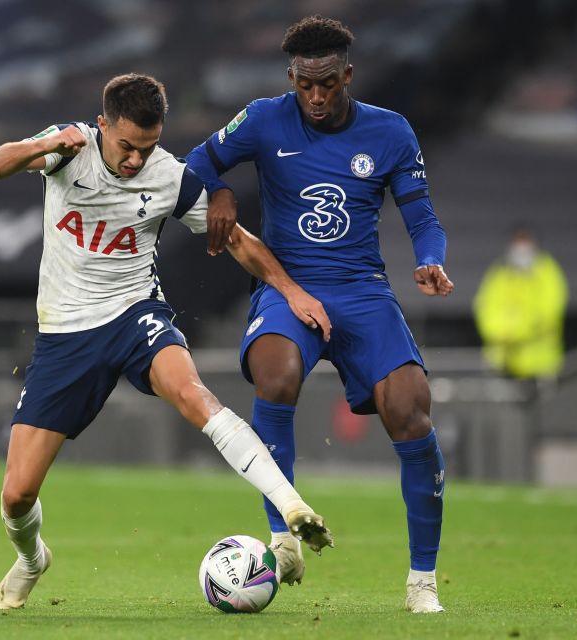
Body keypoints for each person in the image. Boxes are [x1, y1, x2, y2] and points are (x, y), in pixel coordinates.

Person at [0, 73, 334, 611]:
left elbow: (238, 242)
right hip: (66, 334)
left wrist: (292, 292)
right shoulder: (69, 148)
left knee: (195, 396)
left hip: (135, 315)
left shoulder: (169, 176)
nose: (135, 161)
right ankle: (32, 560)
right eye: (126, 147)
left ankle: (291, 506)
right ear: (102, 126)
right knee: (17, 494)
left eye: (147, 148)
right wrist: (46, 144)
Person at [186, 16, 454, 613]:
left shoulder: (391, 132)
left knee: (410, 414)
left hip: (363, 291)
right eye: (305, 84)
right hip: (289, 289)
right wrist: (223, 191)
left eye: (327, 83)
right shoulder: (261, 118)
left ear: (347, 76)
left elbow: (422, 218)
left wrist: (431, 260)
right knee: (275, 375)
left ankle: (422, 581)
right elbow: (192, 164)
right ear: (291, 77)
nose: (315, 96)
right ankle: (283, 536)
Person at [473, 226, 568, 380]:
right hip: (503, 364)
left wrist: (514, 331)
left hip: (540, 366)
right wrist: (502, 331)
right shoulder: (500, 274)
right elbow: (484, 309)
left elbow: (549, 312)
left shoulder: (548, 273)